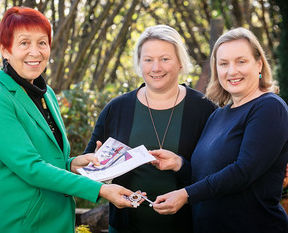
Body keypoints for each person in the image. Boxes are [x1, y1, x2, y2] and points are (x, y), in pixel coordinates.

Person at [0, 6, 135, 233]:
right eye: (24, 43)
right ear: (5, 49)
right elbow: (30, 167)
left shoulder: (46, 94)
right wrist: (99, 190)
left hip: (58, 222)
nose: (36, 52)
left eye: (42, 42)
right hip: (20, 225)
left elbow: (49, 158)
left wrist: (73, 164)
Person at [150, 27, 288, 232]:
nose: (231, 71)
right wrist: (178, 164)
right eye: (223, 64)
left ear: (259, 63)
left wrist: (185, 195)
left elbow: (243, 172)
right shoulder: (218, 115)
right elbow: (205, 176)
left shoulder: (269, 107)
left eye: (240, 61)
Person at [83, 25, 218, 232]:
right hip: (124, 227)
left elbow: (218, 175)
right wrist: (102, 169)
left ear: (180, 62)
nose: (156, 68)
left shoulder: (204, 109)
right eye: (148, 60)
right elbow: (87, 171)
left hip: (188, 227)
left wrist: (181, 165)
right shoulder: (116, 109)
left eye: (165, 59)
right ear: (139, 64)